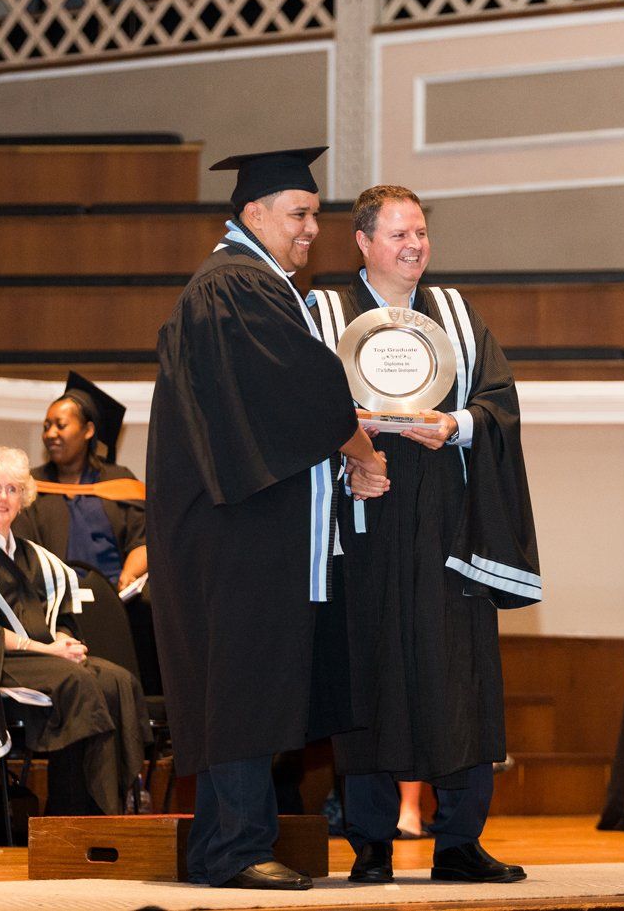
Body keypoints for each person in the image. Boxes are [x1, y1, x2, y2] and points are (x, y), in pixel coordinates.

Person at [147, 146, 388, 890]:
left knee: (238, 688)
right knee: (242, 684)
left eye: (315, 213)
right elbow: (305, 392)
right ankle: (235, 848)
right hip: (236, 526)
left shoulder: (245, 285)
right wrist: (361, 447)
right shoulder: (236, 287)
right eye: (301, 213)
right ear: (253, 213)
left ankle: (228, 846)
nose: (314, 228)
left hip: (238, 521)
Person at [309, 185, 541, 885]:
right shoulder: (323, 314)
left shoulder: (457, 316)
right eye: (399, 234)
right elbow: (295, 411)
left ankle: (460, 841)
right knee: (368, 672)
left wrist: (455, 426)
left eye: (421, 233)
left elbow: (499, 402)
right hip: (364, 523)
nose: (414, 245)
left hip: (447, 522)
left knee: (458, 674)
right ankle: (371, 841)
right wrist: (349, 459)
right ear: (363, 241)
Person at [0, 445, 148, 815]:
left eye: (12, 489)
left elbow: (57, 619)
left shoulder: (31, 555)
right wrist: (47, 651)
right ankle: (69, 815)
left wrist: (62, 640)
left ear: (24, 498)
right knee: (77, 682)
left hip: (40, 660)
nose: (3, 497)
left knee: (116, 680)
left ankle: (114, 806)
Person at [16, 373, 158, 694]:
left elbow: (144, 539)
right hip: (56, 600)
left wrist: (130, 572)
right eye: (46, 426)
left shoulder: (119, 481)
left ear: (88, 430)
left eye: (60, 426)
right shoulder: (29, 487)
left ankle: (153, 713)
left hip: (118, 596)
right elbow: (22, 551)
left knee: (155, 610)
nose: (51, 434)